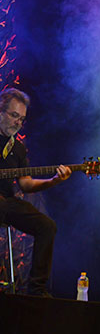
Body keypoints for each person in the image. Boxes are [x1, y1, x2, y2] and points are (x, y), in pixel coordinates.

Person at [0, 88, 71, 296]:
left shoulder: (18, 148)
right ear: (1, 112)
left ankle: (37, 291)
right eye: (14, 115)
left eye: (21, 119)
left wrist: (54, 180)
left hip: (6, 202)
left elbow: (26, 184)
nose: (18, 123)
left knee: (47, 226)